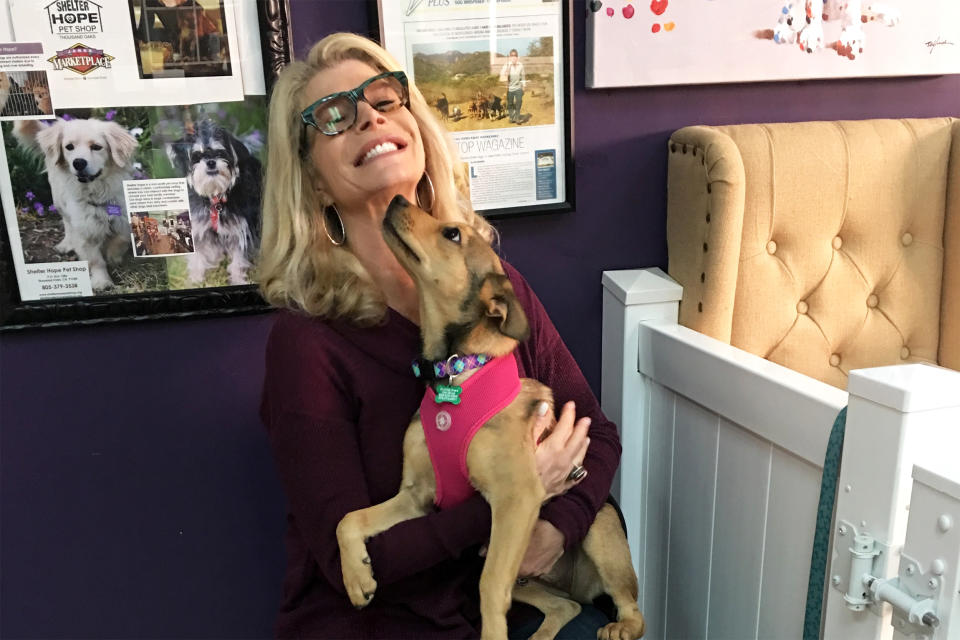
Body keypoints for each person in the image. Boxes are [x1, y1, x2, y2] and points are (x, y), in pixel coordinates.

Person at [258, 32, 622, 639]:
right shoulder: (307, 343)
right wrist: (507, 505)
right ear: (313, 181)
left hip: (513, 600)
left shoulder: (494, 291)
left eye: (384, 98)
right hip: (378, 624)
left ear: (415, 125)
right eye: (333, 115)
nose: (369, 116)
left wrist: (551, 529)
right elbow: (357, 557)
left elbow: (597, 435)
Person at [499, 49, 525, 124]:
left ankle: (517, 117)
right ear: (510, 57)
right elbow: (501, 77)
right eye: (512, 55)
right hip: (509, 88)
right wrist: (506, 73)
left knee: (519, 102)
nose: (514, 57)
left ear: (517, 57)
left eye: (515, 55)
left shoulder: (521, 65)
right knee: (510, 104)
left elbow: (523, 76)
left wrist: (524, 86)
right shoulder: (506, 65)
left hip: (518, 87)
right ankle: (511, 117)